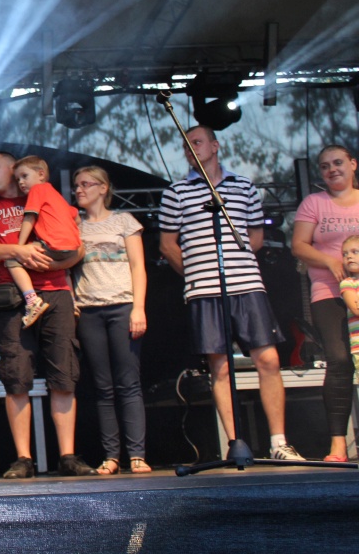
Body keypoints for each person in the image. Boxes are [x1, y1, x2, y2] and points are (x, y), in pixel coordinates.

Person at [158, 125, 305, 461]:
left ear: (215, 145)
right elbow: (167, 245)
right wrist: (195, 271)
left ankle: (279, 442)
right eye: (186, 146)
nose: (191, 149)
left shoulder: (243, 186)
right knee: (220, 367)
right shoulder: (176, 192)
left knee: (268, 359)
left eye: (197, 142)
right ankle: (235, 444)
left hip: (246, 284)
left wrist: (236, 261)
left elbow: (256, 237)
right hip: (204, 289)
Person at [0, 150, 93, 478]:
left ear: (15, 169)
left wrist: (55, 263)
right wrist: (18, 250)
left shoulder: (44, 195)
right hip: (13, 298)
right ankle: (23, 458)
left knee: (64, 374)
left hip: (57, 292)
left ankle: (67, 455)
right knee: (16, 375)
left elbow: (78, 246)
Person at [71, 166, 150, 475]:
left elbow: (138, 266)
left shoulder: (124, 221)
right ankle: (111, 456)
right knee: (102, 387)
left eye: (85, 184)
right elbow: (64, 266)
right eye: (76, 185)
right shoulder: (74, 224)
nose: (79, 190)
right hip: (89, 310)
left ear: (103, 188)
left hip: (123, 306)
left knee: (129, 383)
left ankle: (137, 455)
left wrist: (138, 308)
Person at [291, 145, 359, 462]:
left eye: (337, 163)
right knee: (339, 359)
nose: (332, 169)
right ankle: (338, 444)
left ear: (353, 164)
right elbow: (299, 246)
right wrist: (331, 262)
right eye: (324, 166)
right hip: (329, 291)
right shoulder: (314, 203)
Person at [9, 155, 82, 328]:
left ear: (41, 174)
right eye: (18, 179)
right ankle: (72, 302)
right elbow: (76, 216)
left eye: (24, 176)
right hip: (71, 247)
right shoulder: (56, 195)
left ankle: (32, 300)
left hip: (53, 245)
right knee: (64, 269)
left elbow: (29, 218)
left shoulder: (38, 190)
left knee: (11, 260)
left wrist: (19, 247)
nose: (21, 182)